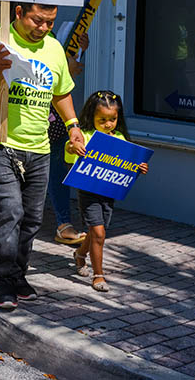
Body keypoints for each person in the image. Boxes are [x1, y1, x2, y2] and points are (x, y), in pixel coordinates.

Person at [0, 2, 85, 310]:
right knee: (10, 209)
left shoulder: (54, 49)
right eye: (37, 20)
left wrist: (72, 125)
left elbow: (61, 91)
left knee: (31, 219)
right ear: (17, 14)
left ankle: (17, 273)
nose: (43, 28)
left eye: (49, 22)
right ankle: (2, 278)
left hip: (38, 147)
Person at [66, 90, 149, 292]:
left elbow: (129, 162)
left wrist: (139, 167)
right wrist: (72, 146)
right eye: (102, 119)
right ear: (91, 116)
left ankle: (79, 254)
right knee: (98, 232)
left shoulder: (120, 137)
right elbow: (70, 149)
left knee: (98, 234)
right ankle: (98, 276)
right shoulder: (85, 136)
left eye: (112, 119)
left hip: (109, 192)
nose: (108, 124)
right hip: (88, 191)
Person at [48, 31, 89, 245]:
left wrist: (80, 52)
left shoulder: (56, 57)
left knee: (58, 174)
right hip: (28, 133)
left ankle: (64, 223)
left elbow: (61, 90)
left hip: (57, 130)